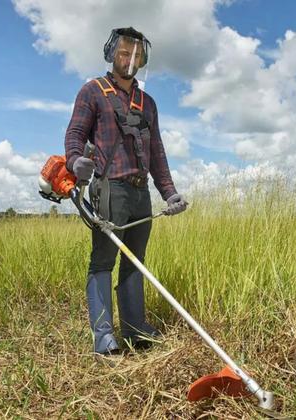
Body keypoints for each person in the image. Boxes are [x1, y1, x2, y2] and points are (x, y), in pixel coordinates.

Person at [65, 27, 187, 357]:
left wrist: (169, 193)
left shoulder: (147, 103)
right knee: (103, 260)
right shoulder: (92, 91)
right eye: (124, 52)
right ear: (111, 54)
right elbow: (75, 133)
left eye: (136, 54)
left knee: (135, 262)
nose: (130, 59)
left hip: (139, 192)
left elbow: (157, 152)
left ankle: (135, 330)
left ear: (143, 59)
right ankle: (103, 336)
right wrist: (76, 162)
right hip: (109, 190)